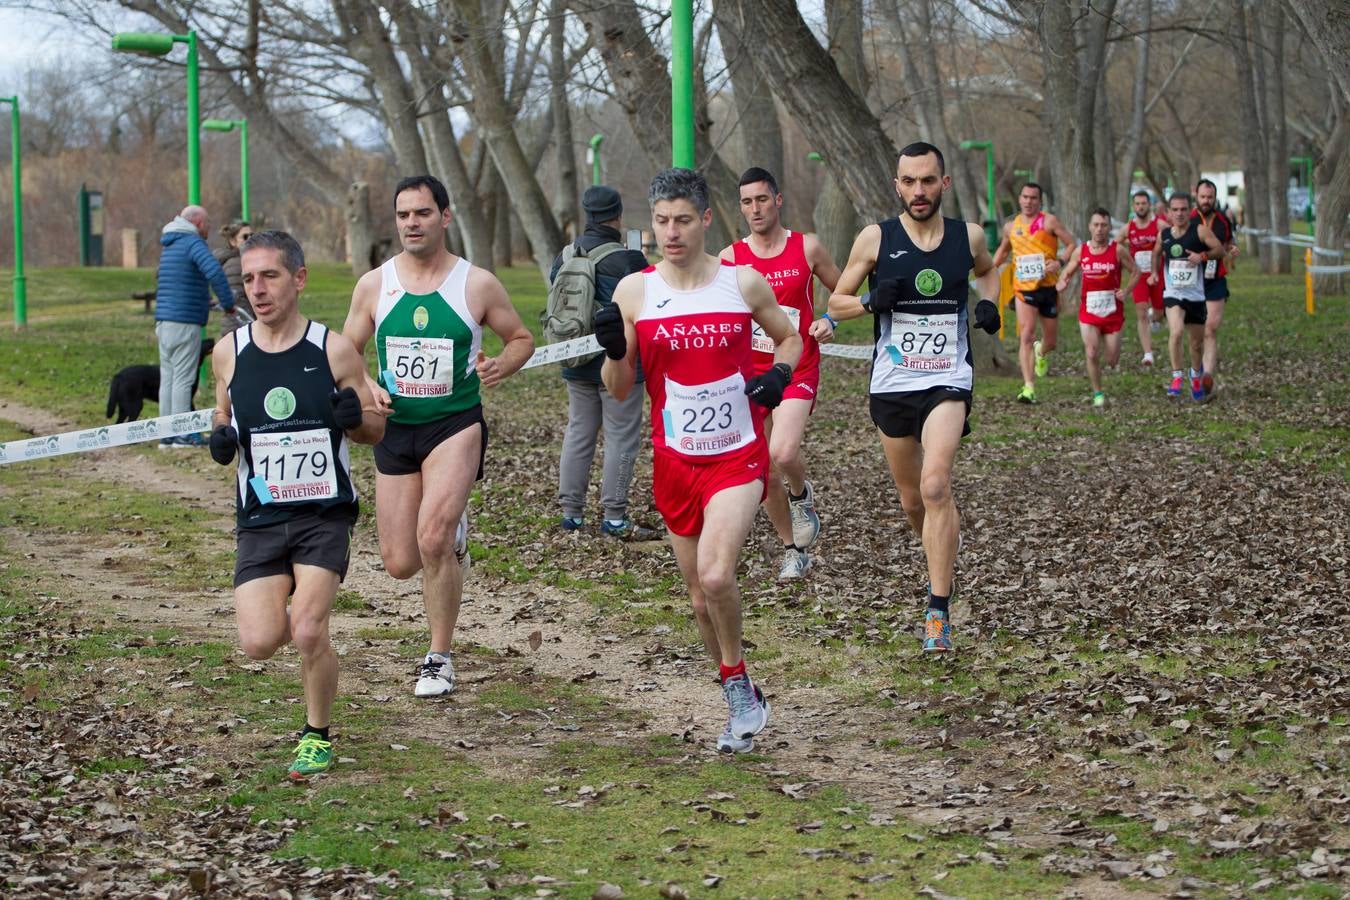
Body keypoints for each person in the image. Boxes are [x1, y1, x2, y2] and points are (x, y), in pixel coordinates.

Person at [596, 168, 801, 753]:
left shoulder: (743, 282)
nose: (671, 232)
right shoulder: (635, 292)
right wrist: (614, 349)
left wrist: (779, 376)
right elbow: (617, 388)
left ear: (707, 219)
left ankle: (737, 685)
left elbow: (791, 339)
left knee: (716, 575)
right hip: (675, 461)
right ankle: (738, 685)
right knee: (697, 598)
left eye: (683, 220)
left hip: (737, 456)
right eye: (661, 221)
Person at [342, 175, 534, 698]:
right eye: (403, 215)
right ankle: (452, 537)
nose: (411, 223)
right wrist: (366, 383)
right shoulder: (374, 284)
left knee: (432, 539)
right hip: (396, 428)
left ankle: (439, 657)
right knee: (400, 562)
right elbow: (346, 350)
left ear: (444, 217)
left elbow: (521, 338)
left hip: (455, 423)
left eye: (422, 213)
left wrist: (503, 365)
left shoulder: (476, 283)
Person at [207, 230, 386, 780]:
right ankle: (309, 638)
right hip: (260, 517)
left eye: (270, 276)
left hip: (322, 514)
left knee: (308, 629)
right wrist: (219, 437)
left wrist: (355, 419)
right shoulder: (228, 352)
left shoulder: (333, 349)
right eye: (248, 279)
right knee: (259, 642)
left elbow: (375, 431)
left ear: (299, 279)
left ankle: (316, 734)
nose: (257, 290)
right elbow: (222, 416)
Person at [827, 142, 1001, 654]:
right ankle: (939, 543)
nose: (919, 191)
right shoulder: (876, 238)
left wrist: (989, 303)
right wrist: (866, 301)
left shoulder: (967, 237)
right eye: (909, 181)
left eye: (928, 180)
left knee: (935, 484)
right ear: (896, 185)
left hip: (948, 377)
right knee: (912, 501)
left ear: (943, 184)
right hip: (893, 383)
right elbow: (835, 301)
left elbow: (988, 271)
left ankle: (938, 611)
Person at [719, 167, 842, 579]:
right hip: (750, 375)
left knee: (783, 453)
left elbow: (841, 293)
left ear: (778, 200)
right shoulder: (731, 258)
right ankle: (792, 549)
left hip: (796, 366)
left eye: (762, 199)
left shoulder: (807, 248)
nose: (755, 208)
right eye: (747, 202)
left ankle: (801, 495)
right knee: (763, 470)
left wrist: (830, 319)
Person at [550, 185, 655, 540]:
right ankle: (614, 517)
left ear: (587, 214)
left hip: (575, 356)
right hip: (619, 361)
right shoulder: (628, 259)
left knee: (579, 432)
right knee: (621, 437)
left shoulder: (564, 256)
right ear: (618, 215)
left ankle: (571, 514)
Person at [156, 205, 238, 448]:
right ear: (198, 223)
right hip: (185, 322)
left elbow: (180, 283)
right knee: (183, 379)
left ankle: (166, 435)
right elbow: (214, 271)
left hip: (164, 321)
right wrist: (228, 303)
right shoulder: (193, 243)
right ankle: (183, 435)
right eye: (208, 224)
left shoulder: (170, 245)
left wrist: (204, 300)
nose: (209, 230)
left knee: (168, 378)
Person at [992, 184, 1076, 403]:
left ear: (1040, 201)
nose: (1029, 201)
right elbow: (1003, 250)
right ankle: (1028, 387)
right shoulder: (1011, 226)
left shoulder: (1049, 221)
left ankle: (1041, 352)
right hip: (1023, 289)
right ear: (1019, 199)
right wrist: (989, 268)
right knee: (1027, 334)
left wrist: (1059, 262)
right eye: (1025, 197)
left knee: (1050, 341)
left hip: (1047, 288)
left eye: (1033, 198)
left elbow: (1071, 244)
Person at [1058, 208, 1140, 407]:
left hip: (1113, 312)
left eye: (1103, 225)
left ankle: (1107, 355)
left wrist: (1127, 291)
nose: (1099, 229)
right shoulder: (1081, 251)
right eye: (1096, 225)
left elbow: (1136, 272)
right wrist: (1063, 281)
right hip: (1089, 311)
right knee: (1092, 352)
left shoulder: (1117, 250)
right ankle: (1098, 393)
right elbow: (1068, 271)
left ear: (1109, 227)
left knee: (1111, 360)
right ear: (1089, 227)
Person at [1151, 192, 1226, 400]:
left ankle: (1195, 374)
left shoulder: (1200, 231)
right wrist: (1155, 272)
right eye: (1175, 210)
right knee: (1175, 332)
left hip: (1195, 295)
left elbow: (1220, 250)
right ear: (1168, 212)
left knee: (1196, 344)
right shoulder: (1164, 234)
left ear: (1189, 210)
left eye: (1184, 209)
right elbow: (1156, 252)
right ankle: (1177, 376)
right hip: (1173, 293)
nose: (1180, 213)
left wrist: (1202, 256)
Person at [1193, 179, 1239, 397]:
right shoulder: (1190, 219)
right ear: (1196, 196)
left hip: (1215, 280)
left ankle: (1207, 376)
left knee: (1210, 328)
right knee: (1196, 332)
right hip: (1191, 282)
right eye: (1202, 197)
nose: (1206, 201)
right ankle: (1198, 368)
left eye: (1209, 197)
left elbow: (1228, 243)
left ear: (1215, 197)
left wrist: (1232, 250)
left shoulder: (1223, 221)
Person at [1116, 191, 1164, 365]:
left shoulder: (1159, 225)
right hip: (1139, 276)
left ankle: (1156, 316)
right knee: (1141, 311)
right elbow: (1115, 245)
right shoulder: (1128, 228)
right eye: (1137, 204)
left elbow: (1174, 238)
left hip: (1157, 274)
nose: (1141, 207)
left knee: (1159, 311)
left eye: (1144, 203)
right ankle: (1148, 353)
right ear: (1133, 206)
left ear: (1149, 205)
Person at [215, 221, 255, 335]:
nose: (250, 239)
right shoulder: (236, 264)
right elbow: (237, 299)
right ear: (233, 241)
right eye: (245, 237)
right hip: (239, 325)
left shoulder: (246, 260)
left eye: (253, 235)